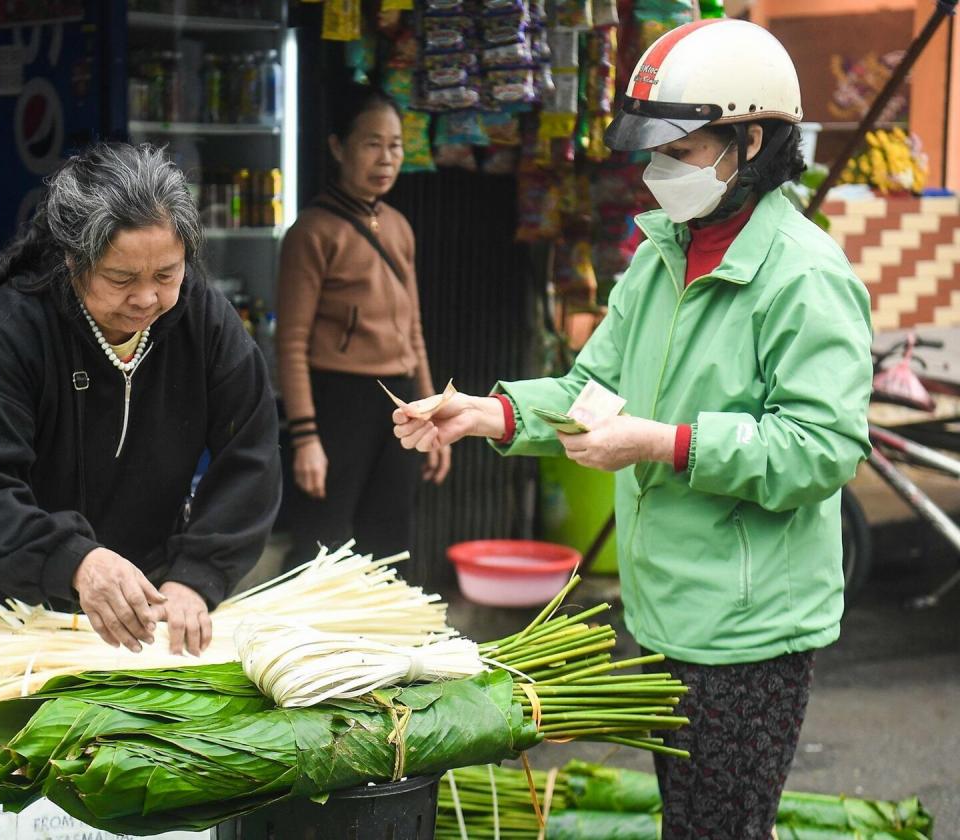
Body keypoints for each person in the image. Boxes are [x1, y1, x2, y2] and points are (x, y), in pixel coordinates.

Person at [392, 20, 872, 840]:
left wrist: (661, 443)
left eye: (676, 153)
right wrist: (488, 413)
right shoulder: (659, 255)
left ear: (749, 140)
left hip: (748, 630)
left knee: (719, 829)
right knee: (688, 824)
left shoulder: (806, 276)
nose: (656, 174)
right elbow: (592, 388)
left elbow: (820, 449)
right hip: (661, 612)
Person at [0, 142, 281, 657]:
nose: (147, 298)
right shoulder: (13, 328)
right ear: (73, 259)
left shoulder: (204, 319)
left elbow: (252, 453)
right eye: (121, 278)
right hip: (3, 612)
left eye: (166, 274)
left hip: (137, 608)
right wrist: (74, 561)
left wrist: (195, 576)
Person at [275, 82, 449, 570]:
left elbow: (414, 330)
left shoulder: (398, 225)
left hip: (399, 402)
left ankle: (384, 644)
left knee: (391, 540)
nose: (386, 158)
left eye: (395, 146)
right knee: (320, 544)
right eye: (371, 143)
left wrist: (432, 409)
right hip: (336, 404)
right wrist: (305, 438)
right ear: (338, 147)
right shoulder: (311, 232)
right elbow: (289, 344)